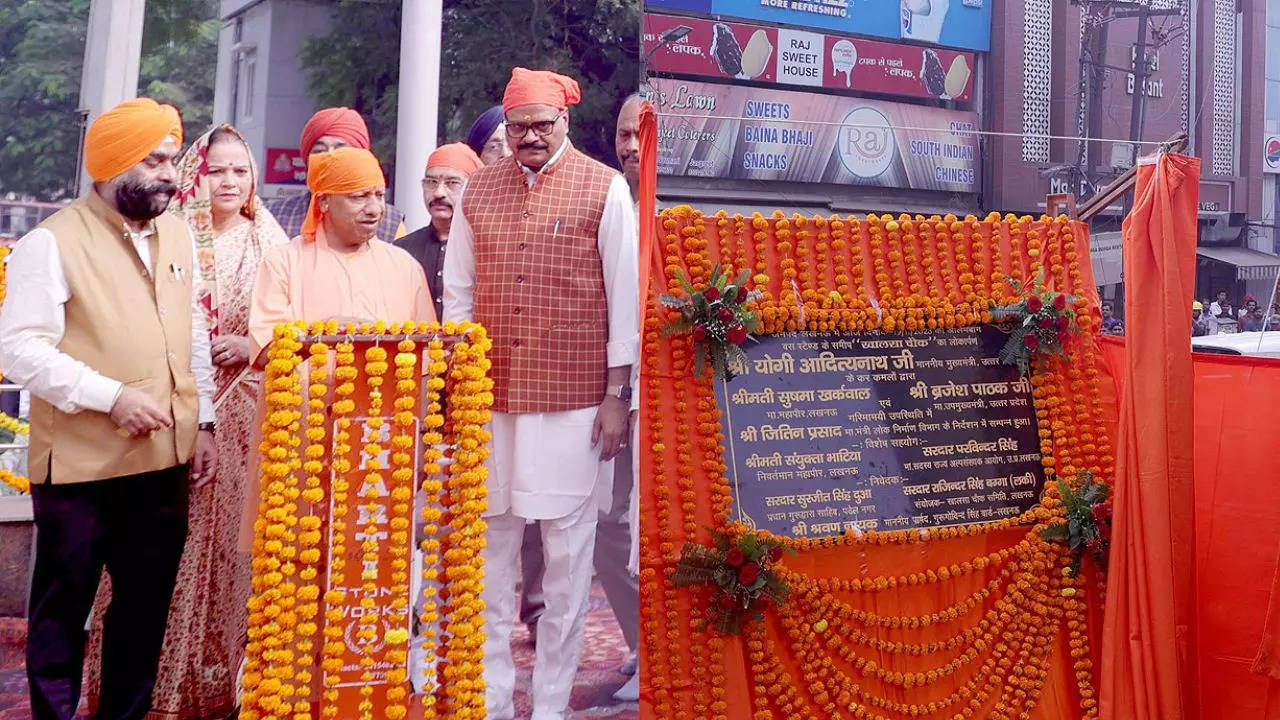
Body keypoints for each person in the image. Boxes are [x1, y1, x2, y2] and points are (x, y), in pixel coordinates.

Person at [0, 97, 217, 720]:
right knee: (63, 609)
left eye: (172, 160)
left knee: (145, 608)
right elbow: (20, 350)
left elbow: (193, 335)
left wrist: (201, 422)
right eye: (153, 160)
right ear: (111, 164)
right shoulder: (51, 242)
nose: (169, 174)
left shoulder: (177, 234)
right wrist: (110, 396)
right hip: (80, 468)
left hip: (163, 460)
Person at [444, 67, 638, 720]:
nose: (530, 136)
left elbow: (624, 304)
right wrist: (457, 390)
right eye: (519, 125)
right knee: (491, 565)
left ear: (565, 123)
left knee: (565, 563)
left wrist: (619, 395)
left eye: (542, 125)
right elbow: (460, 296)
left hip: (576, 406)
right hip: (490, 405)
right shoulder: (477, 191)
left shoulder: (604, 188)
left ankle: (550, 708)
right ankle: (495, 705)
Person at [80, 123, 290, 719]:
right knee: (152, 554)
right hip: (166, 416)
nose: (229, 181)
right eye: (217, 169)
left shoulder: (266, 239)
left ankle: (217, 691)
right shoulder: (168, 236)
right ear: (196, 172)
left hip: (244, 417)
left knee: (232, 552)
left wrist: (251, 342)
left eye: (240, 171)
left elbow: (291, 320)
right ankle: (143, 693)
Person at [266, 107, 406, 243]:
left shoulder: (390, 223)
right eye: (320, 151)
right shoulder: (276, 215)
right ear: (306, 161)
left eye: (341, 152)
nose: (330, 158)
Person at [395, 143, 483, 318]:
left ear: (472, 189)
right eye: (431, 182)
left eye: (452, 183)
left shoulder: (485, 249)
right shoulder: (401, 250)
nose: (439, 193)